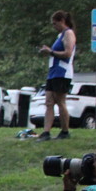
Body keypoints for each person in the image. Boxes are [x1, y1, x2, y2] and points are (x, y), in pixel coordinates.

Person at [37, 10, 77, 142]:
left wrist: (51, 52)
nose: (54, 26)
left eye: (55, 24)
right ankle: (46, 132)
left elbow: (67, 53)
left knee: (60, 102)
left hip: (62, 72)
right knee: (49, 102)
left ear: (62, 21)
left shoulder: (68, 33)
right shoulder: (60, 35)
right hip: (53, 72)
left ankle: (65, 131)